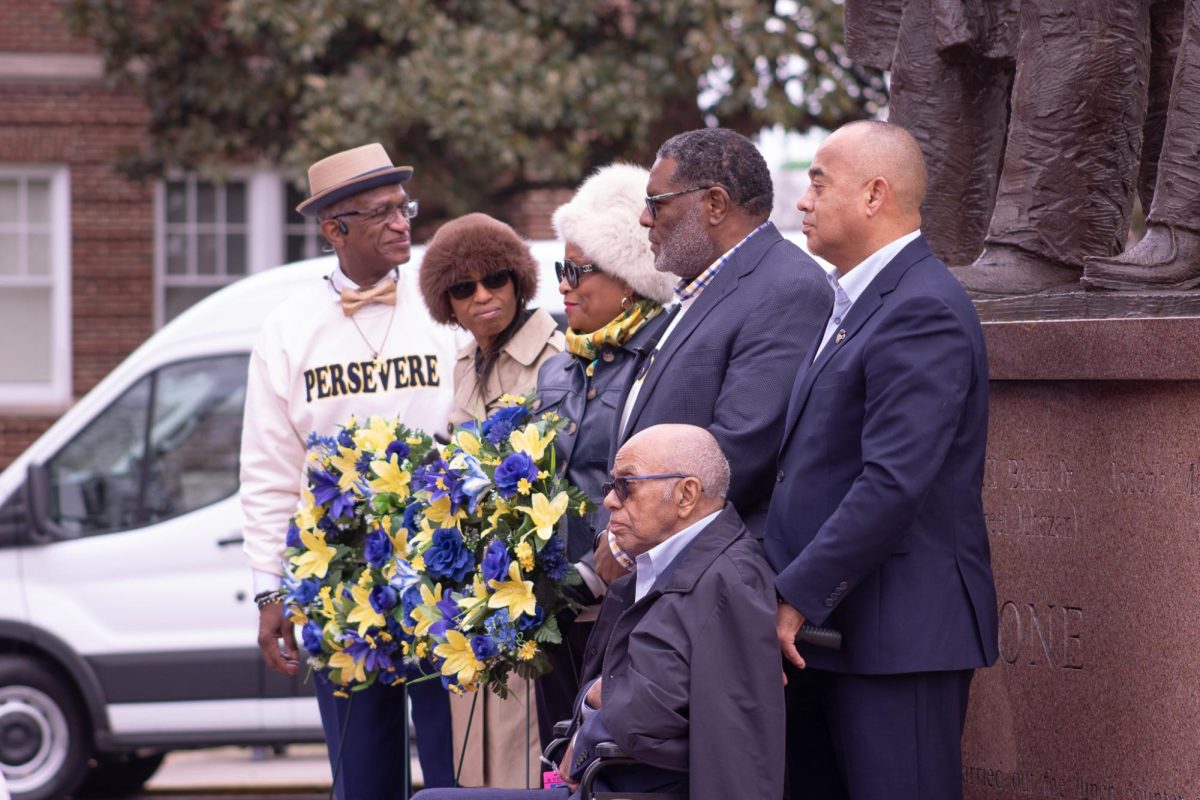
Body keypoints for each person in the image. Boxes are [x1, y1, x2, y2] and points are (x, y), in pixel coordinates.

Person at [765, 121, 999, 799]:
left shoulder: (923, 307)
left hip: (899, 643)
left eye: (817, 182)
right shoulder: (851, 301)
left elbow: (893, 482)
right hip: (831, 636)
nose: (802, 202)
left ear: (874, 196)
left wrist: (794, 594)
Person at [240, 143, 456, 798]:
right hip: (341, 585)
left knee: (457, 768)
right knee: (361, 777)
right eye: (382, 212)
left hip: (444, 568)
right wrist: (270, 590)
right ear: (336, 228)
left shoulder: (445, 301)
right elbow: (270, 468)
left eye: (404, 207)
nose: (402, 223)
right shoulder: (288, 327)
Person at [412, 424, 786, 800]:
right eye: (611, 487)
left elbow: (682, 721)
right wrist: (594, 700)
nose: (608, 501)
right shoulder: (667, 561)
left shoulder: (729, 580)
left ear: (686, 494)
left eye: (627, 485)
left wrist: (592, 711)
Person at [619, 127, 831, 538]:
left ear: (714, 204)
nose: (644, 218)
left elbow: (737, 454)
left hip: (703, 574)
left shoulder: (788, 288)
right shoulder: (698, 292)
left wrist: (626, 538)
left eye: (655, 203)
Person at [533, 163, 676, 748]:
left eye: (577, 268)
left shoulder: (664, 358)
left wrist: (598, 572)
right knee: (556, 757)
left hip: (625, 609)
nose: (563, 284)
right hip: (552, 615)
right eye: (559, 268)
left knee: (606, 760)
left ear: (627, 275)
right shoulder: (555, 370)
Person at [419, 212, 564, 788]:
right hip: (471, 596)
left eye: (496, 279)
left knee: (523, 752)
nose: (482, 296)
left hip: (529, 590)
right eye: (463, 287)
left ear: (519, 281)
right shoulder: (462, 364)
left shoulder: (557, 356)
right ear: (445, 302)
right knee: (471, 753)